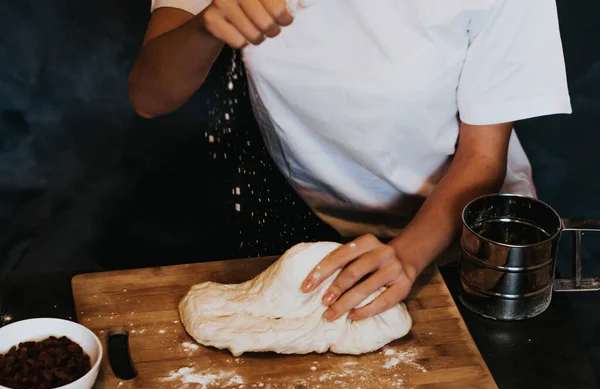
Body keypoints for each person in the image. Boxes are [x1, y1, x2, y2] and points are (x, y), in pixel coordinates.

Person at [128, 0, 571, 323]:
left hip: (468, 246)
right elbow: (150, 96)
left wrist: (406, 258)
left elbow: (482, 158)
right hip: (316, 233)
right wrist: (208, 26)